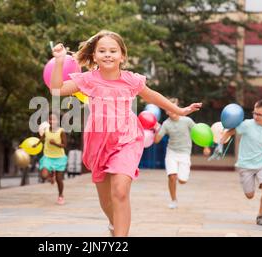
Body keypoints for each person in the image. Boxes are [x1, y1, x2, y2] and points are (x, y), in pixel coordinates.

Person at [49, 30, 202, 236]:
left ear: (122, 56)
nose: (108, 54)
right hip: (98, 141)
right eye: (102, 50)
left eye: (113, 50)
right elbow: (56, 89)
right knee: (106, 200)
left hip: (127, 138)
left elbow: (152, 96)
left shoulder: (131, 80)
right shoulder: (88, 79)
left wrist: (179, 110)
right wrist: (59, 61)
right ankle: (114, 224)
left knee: (120, 190)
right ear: (94, 56)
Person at [216, 99, 262, 226]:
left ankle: (260, 215)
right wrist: (221, 143)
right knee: (250, 195)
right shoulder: (247, 124)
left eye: (259, 114)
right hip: (245, 165)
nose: (255, 116)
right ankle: (256, 183)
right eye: (254, 113)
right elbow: (230, 131)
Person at [153, 98, 210, 209]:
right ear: (166, 111)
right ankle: (173, 200)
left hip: (184, 153)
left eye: (175, 108)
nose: (172, 111)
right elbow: (156, 140)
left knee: (182, 181)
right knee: (172, 176)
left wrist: (206, 147)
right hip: (172, 152)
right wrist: (156, 129)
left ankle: (182, 174)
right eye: (169, 109)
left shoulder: (186, 121)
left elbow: (199, 133)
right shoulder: (166, 124)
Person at [34, 112, 68, 205]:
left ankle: (60, 195)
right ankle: (50, 176)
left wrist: (55, 144)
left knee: (59, 179)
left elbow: (64, 145)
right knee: (44, 175)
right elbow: (42, 139)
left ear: (57, 121)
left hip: (59, 158)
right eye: (50, 119)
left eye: (54, 119)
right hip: (48, 157)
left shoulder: (61, 131)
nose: (52, 121)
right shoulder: (46, 130)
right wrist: (36, 144)